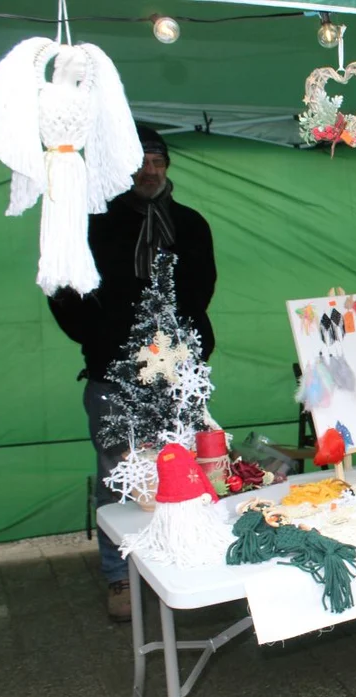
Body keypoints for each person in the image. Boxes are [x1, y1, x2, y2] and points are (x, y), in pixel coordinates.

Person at [48, 126, 217, 622]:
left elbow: (202, 288)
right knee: (118, 473)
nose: (150, 170)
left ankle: (177, 559)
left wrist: (176, 340)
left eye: (157, 161)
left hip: (176, 368)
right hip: (112, 371)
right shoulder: (96, 224)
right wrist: (97, 336)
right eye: (140, 162)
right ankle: (119, 575)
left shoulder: (189, 224)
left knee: (182, 467)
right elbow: (63, 287)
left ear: (167, 166)